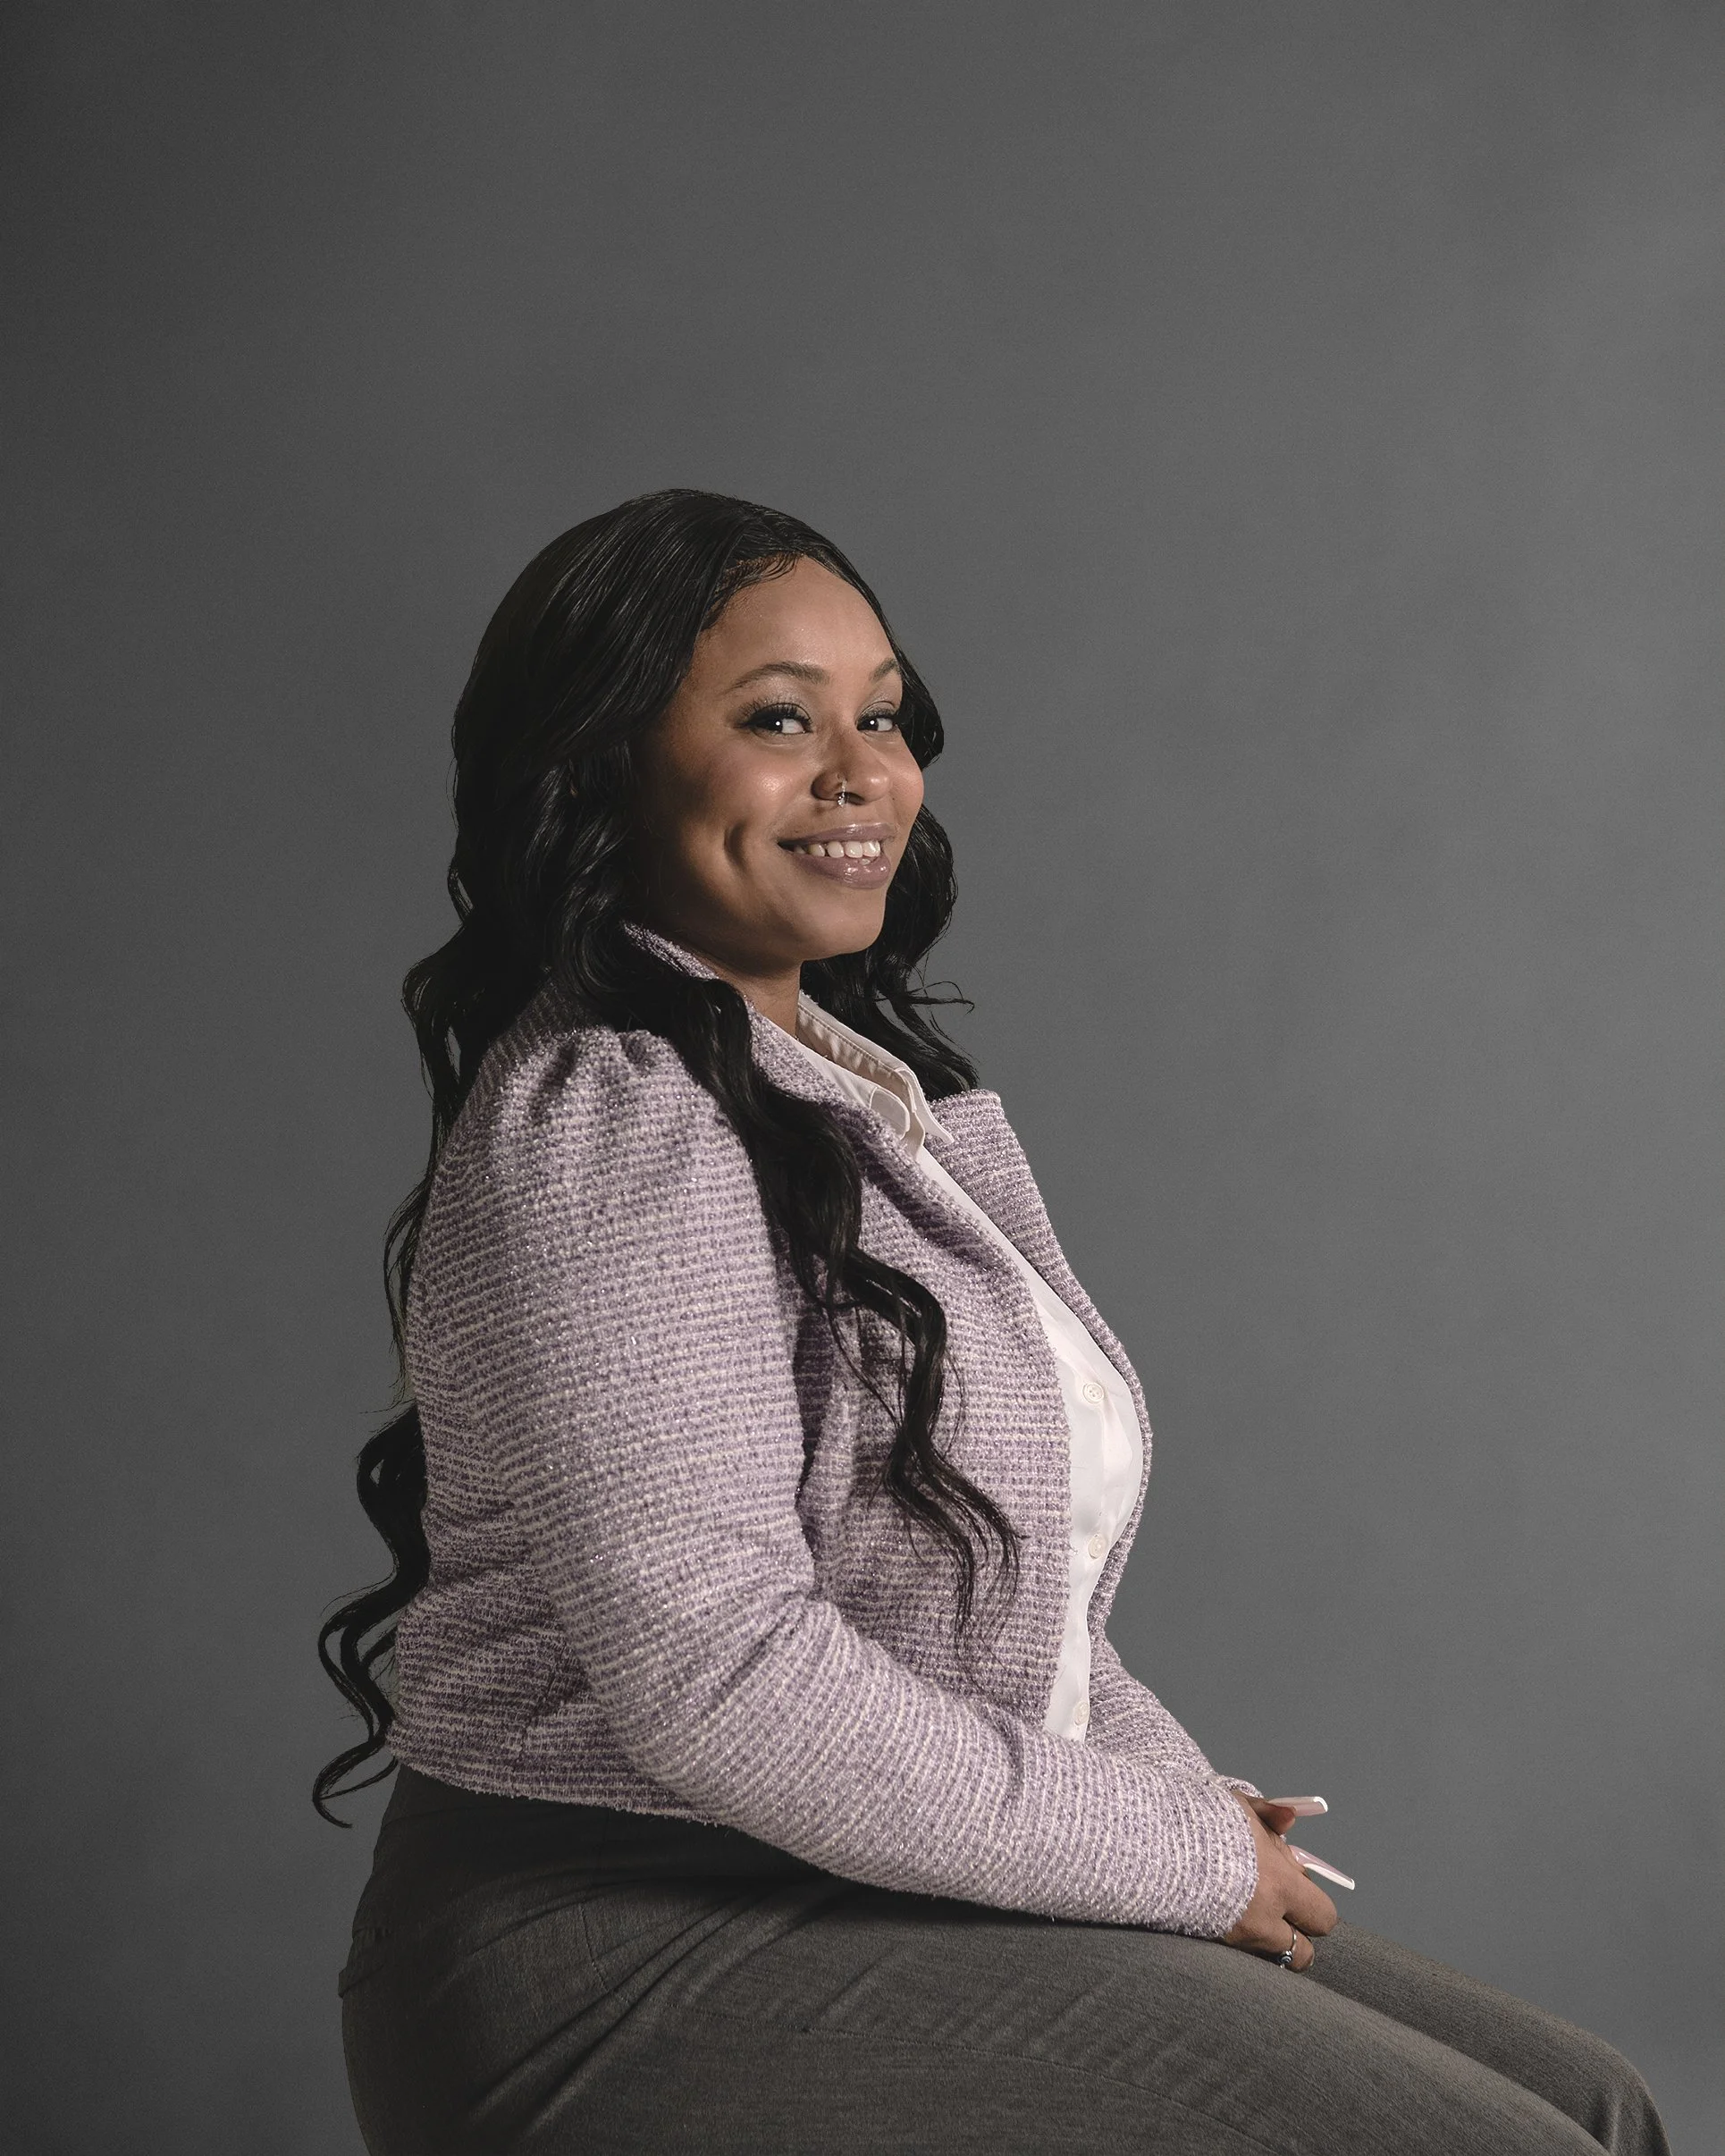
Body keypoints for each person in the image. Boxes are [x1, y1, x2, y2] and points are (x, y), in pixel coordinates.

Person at [319, 490, 1667, 2154]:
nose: (859, 770)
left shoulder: (825, 1102)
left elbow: (993, 1619)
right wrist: (1164, 1856)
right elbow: (724, 1682)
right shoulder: (616, 1119)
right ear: (597, 772)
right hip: (618, 1942)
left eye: (879, 715)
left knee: (1593, 2103)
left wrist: (1174, 1809)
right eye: (774, 720)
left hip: (844, 1881)